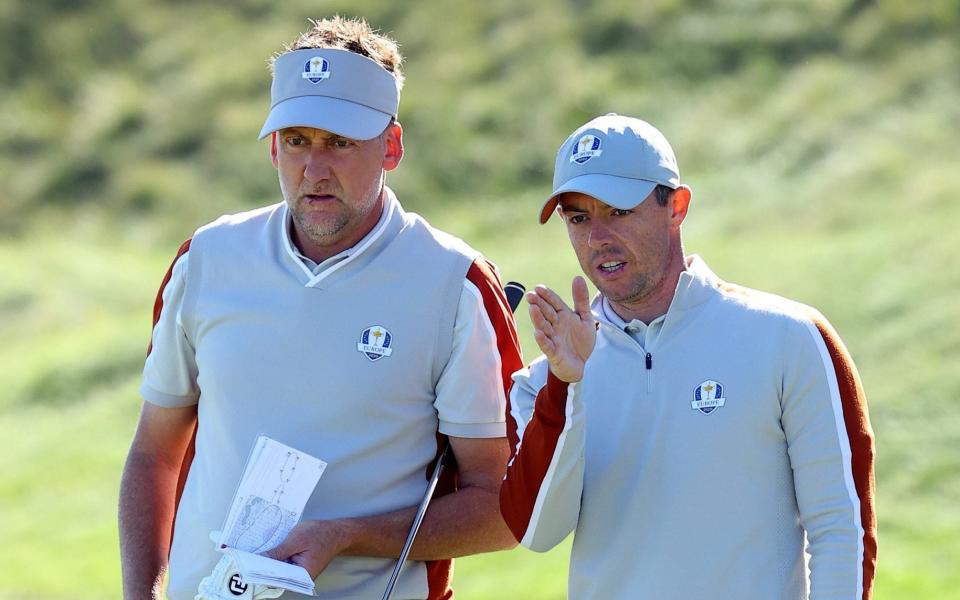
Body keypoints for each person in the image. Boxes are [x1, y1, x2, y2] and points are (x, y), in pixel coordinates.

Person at [119, 17, 522, 600]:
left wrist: (349, 535)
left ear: (392, 147)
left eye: (340, 142)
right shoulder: (207, 259)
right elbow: (155, 452)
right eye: (297, 141)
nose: (314, 169)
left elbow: (502, 508)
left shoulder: (453, 284)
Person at [499, 113, 877, 599]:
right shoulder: (543, 384)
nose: (597, 238)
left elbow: (841, 532)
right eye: (578, 217)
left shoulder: (789, 337)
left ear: (676, 207)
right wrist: (565, 386)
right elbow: (536, 531)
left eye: (618, 211)